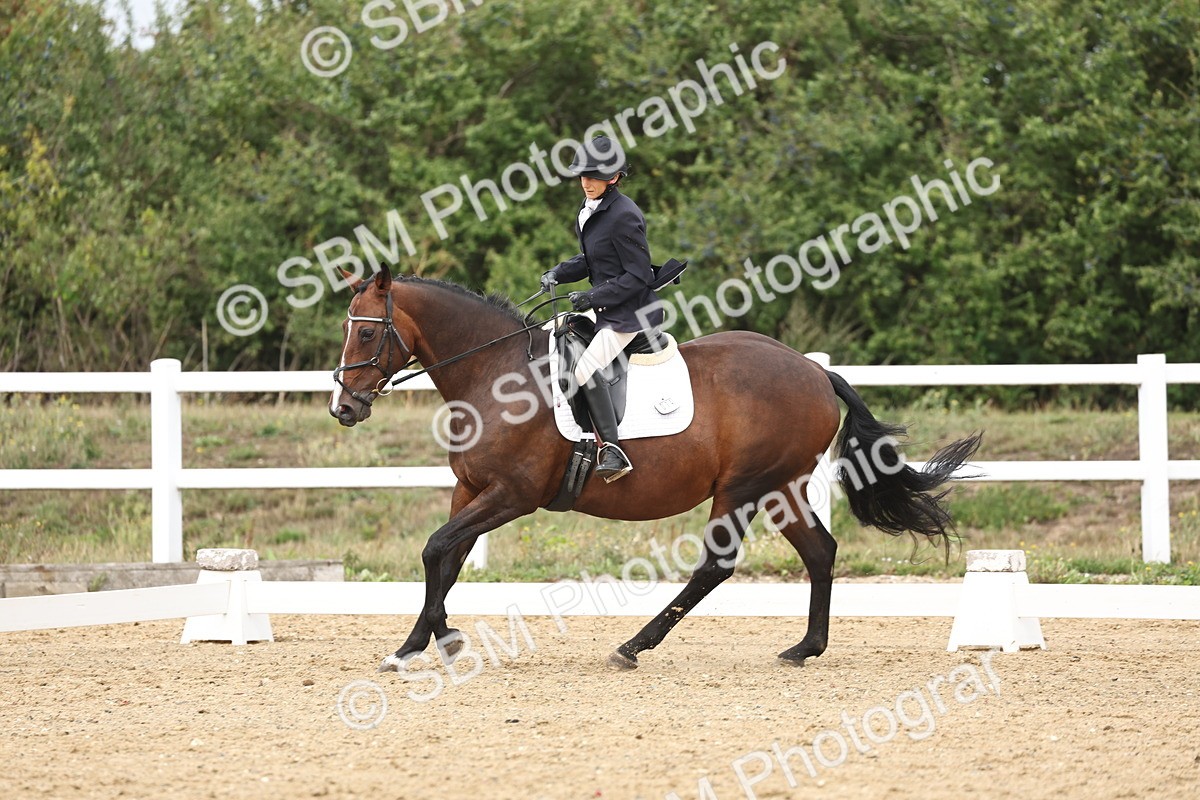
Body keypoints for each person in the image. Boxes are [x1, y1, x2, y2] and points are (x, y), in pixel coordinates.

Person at [541, 136, 663, 483]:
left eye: (593, 176)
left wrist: (591, 298)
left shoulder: (624, 215)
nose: (586, 182)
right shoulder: (589, 209)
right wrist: (559, 273)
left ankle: (613, 450)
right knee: (557, 336)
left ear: (613, 177)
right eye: (582, 175)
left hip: (629, 312)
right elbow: (593, 260)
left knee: (583, 369)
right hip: (607, 305)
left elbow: (638, 276)